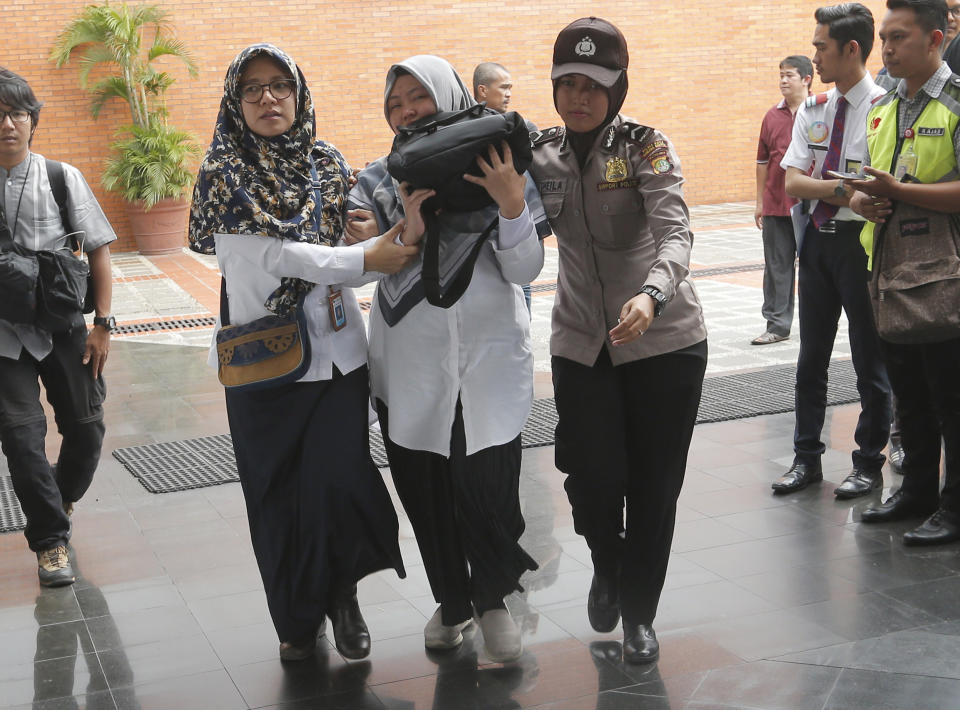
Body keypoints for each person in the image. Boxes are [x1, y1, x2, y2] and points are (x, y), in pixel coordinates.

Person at [188, 44, 414, 662]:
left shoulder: (326, 163)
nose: (268, 98)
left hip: (339, 356)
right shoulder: (224, 171)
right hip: (264, 363)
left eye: (280, 85)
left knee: (338, 480)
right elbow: (268, 256)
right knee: (276, 493)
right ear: (236, 101)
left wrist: (365, 242)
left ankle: (342, 594)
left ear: (299, 94)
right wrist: (364, 255)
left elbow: (355, 270)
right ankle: (296, 616)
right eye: (253, 88)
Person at [348, 54, 549, 663]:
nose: (406, 110)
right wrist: (403, 231)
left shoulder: (500, 162)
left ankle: (492, 602)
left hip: (488, 361)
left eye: (418, 97)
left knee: (487, 487)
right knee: (426, 489)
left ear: (450, 93)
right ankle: (454, 602)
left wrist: (511, 205)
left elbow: (525, 269)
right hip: (410, 365)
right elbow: (363, 260)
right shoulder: (379, 178)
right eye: (395, 102)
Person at [529, 17, 708, 664]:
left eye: (593, 85)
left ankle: (639, 614)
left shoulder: (644, 146)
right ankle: (608, 563)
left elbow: (675, 229)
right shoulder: (540, 154)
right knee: (591, 475)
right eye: (566, 83)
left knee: (654, 486)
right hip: (582, 342)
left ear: (619, 87)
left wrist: (652, 294)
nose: (578, 97)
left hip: (665, 342)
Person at [847, 0, 960, 546]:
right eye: (884, 38)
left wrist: (900, 193)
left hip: (947, 276)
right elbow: (868, 181)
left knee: (951, 399)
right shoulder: (883, 103)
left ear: (935, 38)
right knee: (909, 396)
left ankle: (955, 509)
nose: (886, 49)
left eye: (898, 37)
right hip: (889, 270)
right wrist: (867, 203)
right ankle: (915, 493)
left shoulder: (956, 103)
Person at [0, 68, 115, 588]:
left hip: (65, 327)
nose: (6, 124)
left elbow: (99, 251)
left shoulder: (60, 178)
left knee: (87, 431)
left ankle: (59, 502)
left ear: (31, 121)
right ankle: (50, 543)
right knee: (23, 441)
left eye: (16, 113)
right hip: (2, 338)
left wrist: (103, 324)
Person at [774, 3, 892, 500]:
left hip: (863, 249)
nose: (815, 54)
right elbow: (793, 182)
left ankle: (867, 463)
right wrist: (845, 194)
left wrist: (829, 188)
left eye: (822, 46)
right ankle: (806, 459)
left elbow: (882, 191)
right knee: (810, 360)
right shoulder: (813, 108)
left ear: (851, 49)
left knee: (870, 361)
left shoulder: (888, 106)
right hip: (817, 242)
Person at [752, 55, 813, 345]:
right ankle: (776, 325)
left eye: (789, 75)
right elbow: (762, 161)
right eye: (781, 75)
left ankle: (818, 321)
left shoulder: (820, 111)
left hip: (814, 205)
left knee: (816, 266)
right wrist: (759, 201)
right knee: (777, 266)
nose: (783, 81)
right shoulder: (771, 116)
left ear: (806, 80)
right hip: (777, 203)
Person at [473, 61, 536, 314]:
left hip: (516, 218)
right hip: (481, 227)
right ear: (482, 90)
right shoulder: (462, 130)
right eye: (504, 88)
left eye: (511, 88)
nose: (509, 94)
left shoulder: (521, 128)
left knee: (523, 282)